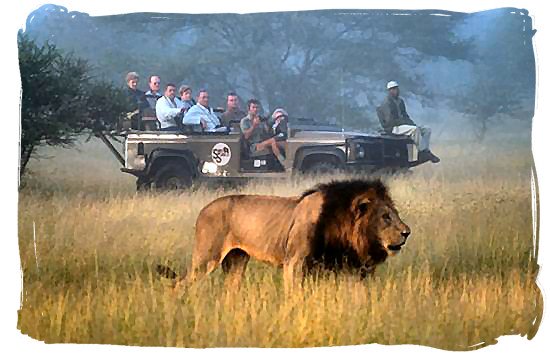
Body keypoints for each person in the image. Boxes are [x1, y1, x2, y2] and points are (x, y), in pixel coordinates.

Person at [377, 81, 440, 163]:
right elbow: (390, 121)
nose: (396, 91)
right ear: (389, 91)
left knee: (426, 129)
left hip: (402, 126)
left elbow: (405, 115)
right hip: (393, 128)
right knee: (414, 130)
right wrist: (404, 123)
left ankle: (425, 151)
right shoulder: (386, 103)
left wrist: (411, 123)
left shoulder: (400, 101)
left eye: (396, 88)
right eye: (393, 89)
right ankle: (423, 152)